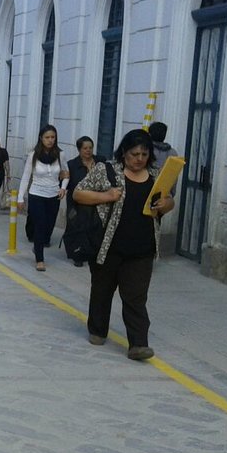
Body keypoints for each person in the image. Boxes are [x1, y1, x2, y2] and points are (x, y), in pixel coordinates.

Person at [74, 128, 176, 361]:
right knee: (102, 291)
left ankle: (138, 344)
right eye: (134, 154)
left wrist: (166, 204)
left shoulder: (156, 175)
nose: (139, 159)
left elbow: (169, 200)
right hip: (108, 247)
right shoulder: (106, 170)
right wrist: (107, 196)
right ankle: (98, 330)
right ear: (124, 152)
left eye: (144, 154)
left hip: (142, 250)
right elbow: (79, 194)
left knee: (136, 297)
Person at [18, 124, 68, 270]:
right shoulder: (33, 155)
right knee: (39, 225)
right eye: (47, 137)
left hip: (54, 195)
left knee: (48, 227)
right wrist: (20, 197)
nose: (50, 140)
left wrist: (63, 188)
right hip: (37, 194)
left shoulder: (60, 155)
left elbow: (66, 174)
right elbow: (26, 176)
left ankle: (37, 246)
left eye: (53, 137)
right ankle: (39, 259)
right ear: (41, 138)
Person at [65, 136, 105, 266]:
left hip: (97, 200)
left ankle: (93, 253)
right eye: (85, 148)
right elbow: (67, 184)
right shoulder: (72, 165)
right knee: (78, 227)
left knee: (95, 228)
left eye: (90, 148)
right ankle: (78, 255)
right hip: (78, 202)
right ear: (79, 150)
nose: (88, 150)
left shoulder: (101, 162)